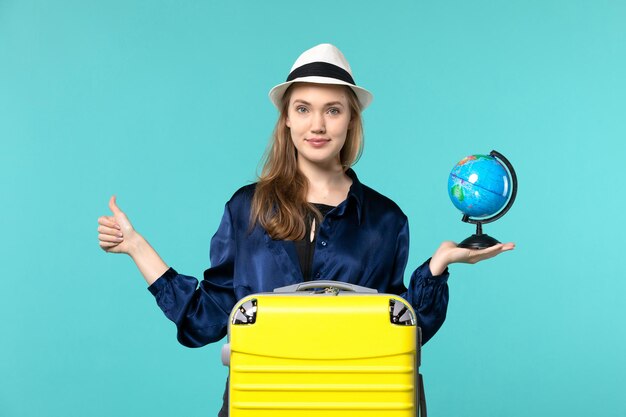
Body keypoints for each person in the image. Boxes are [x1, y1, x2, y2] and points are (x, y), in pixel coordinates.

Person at [97, 43, 514, 416]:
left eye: (333, 109)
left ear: (350, 120)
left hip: (359, 405)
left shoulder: (386, 219)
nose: (318, 125)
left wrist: (438, 266)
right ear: (286, 121)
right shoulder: (247, 209)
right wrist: (136, 247)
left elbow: (401, 330)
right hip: (261, 403)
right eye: (303, 109)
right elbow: (205, 318)